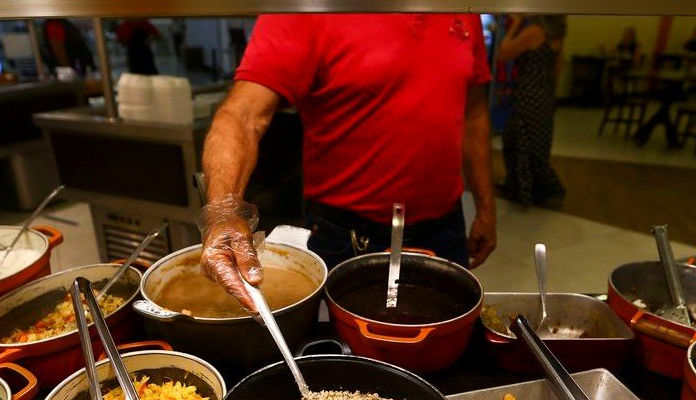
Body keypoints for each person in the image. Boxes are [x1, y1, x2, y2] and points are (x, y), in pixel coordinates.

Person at [198, 14, 497, 311]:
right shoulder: (308, 10)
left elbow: (474, 110)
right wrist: (223, 211)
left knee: (452, 332)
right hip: (347, 238)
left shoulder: (460, 9)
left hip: (446, 230)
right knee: (340, 340)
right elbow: (242, 115)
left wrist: (485, 207)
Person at [498, 14, 567, 208]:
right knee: (537, 143)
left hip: (528, 93)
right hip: (545, 95)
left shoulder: (535, 32)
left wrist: (516, 23)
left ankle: (520, 188)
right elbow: (558, 68)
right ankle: (539, 189)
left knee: (517, 138)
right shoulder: (557, 36)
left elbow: (503, 53)